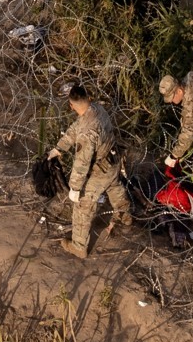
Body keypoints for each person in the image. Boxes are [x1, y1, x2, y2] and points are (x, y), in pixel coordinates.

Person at [49, 84, 132, 259]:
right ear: (88, 98)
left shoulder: (87, 133)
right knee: (115, 187)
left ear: (71, 106)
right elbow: (75, 128)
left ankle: (79, 246)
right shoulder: (97, 109)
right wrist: (60, 148)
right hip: (114, 159)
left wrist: (75, 188)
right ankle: (125, 216)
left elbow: (82, 163)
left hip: (100, 170)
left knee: (82, 206)